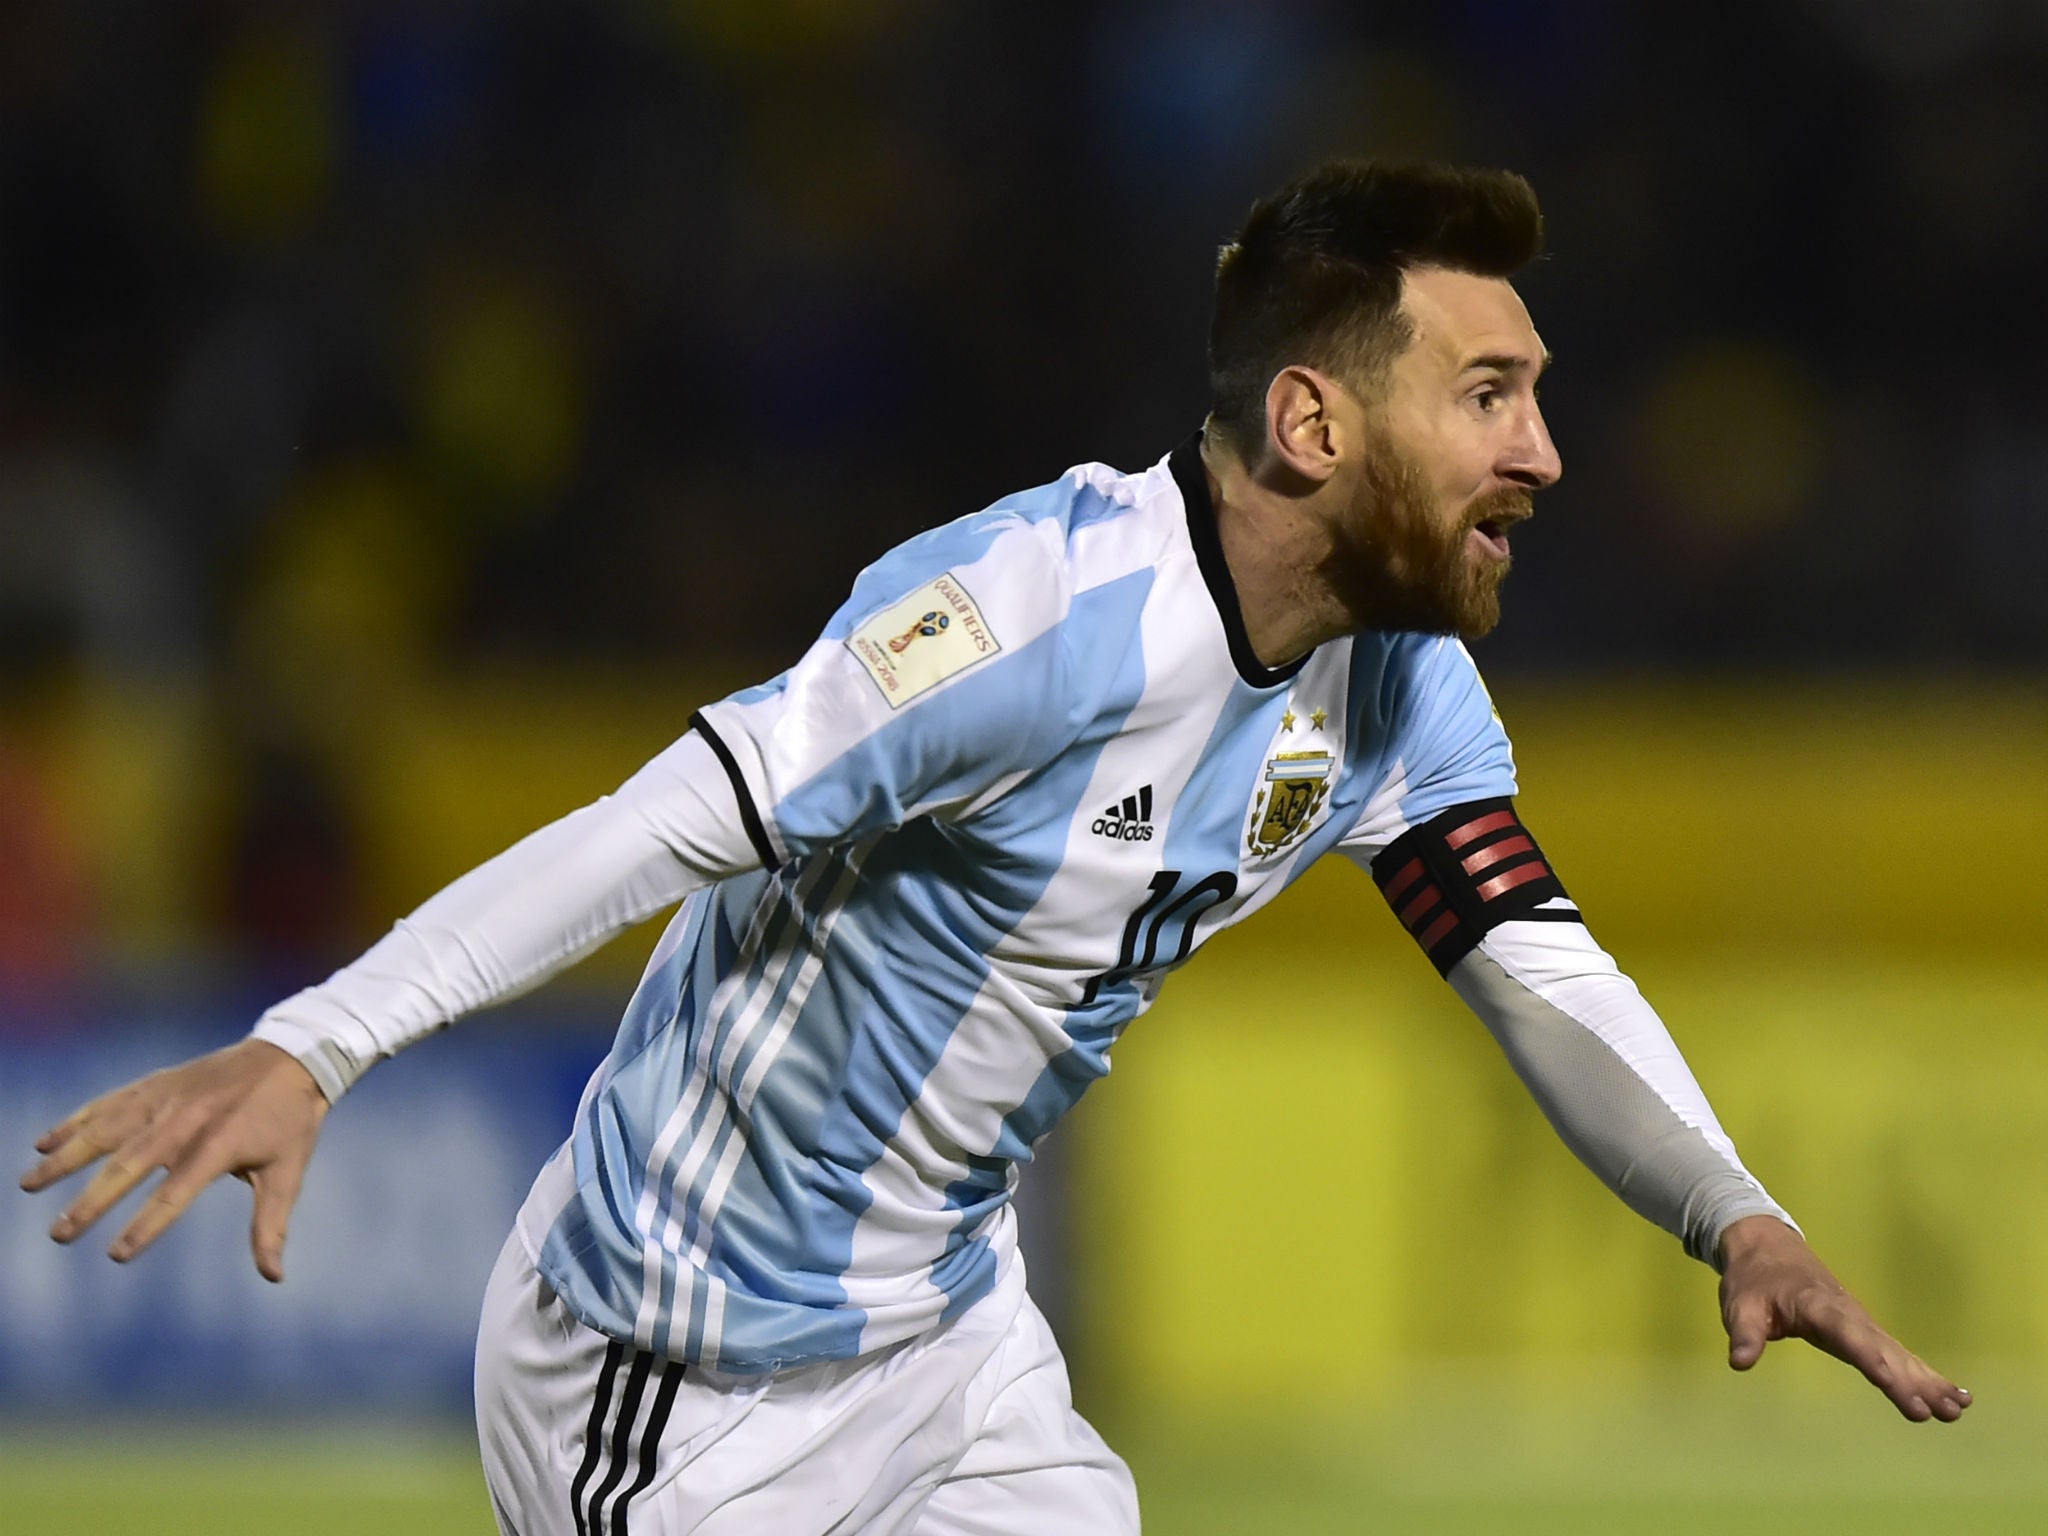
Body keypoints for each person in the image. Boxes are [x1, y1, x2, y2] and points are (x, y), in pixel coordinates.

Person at [19, 160, 1969, 1535]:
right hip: (679, 1378)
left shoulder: (1395, 690)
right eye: (1488, 392)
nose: (1544, 450)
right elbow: (657, 825)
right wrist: (322, 1038)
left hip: (949, 1351)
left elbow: (1526, 952)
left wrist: (1735, 1212)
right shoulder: (1025, 622)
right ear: (1309, 420)